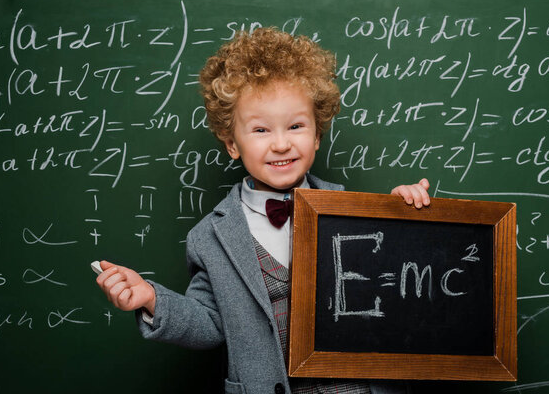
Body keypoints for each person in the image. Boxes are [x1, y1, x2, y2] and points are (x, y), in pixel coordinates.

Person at [96, 27, 430, 394]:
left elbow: (401, 293)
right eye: (260, 130)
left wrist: (406, 218)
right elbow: (209, 323)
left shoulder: (354, 213)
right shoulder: (210, 238)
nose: (281, 143)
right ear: (231, 143)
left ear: (317, 134)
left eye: (296, 126)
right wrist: (152, 299)